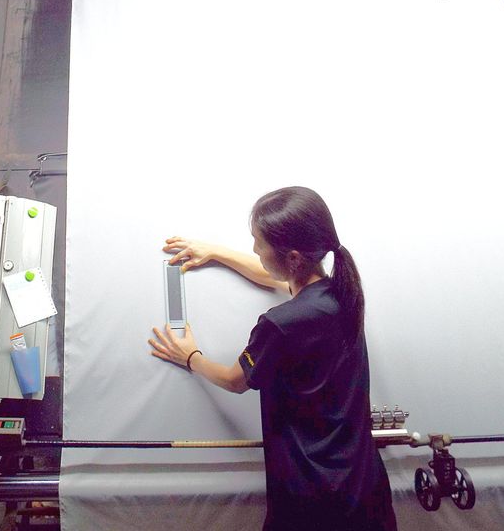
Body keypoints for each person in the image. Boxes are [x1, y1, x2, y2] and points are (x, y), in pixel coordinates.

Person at [148, 186, 397, 531]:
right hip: (363, 486)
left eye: (259, 243)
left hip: (312, 497)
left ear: (293, 258)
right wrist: (215, 252)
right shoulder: (342, 293)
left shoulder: (280, 324)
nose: (255, 249)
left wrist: (190, 356)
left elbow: (235, 380)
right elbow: (274, 277)